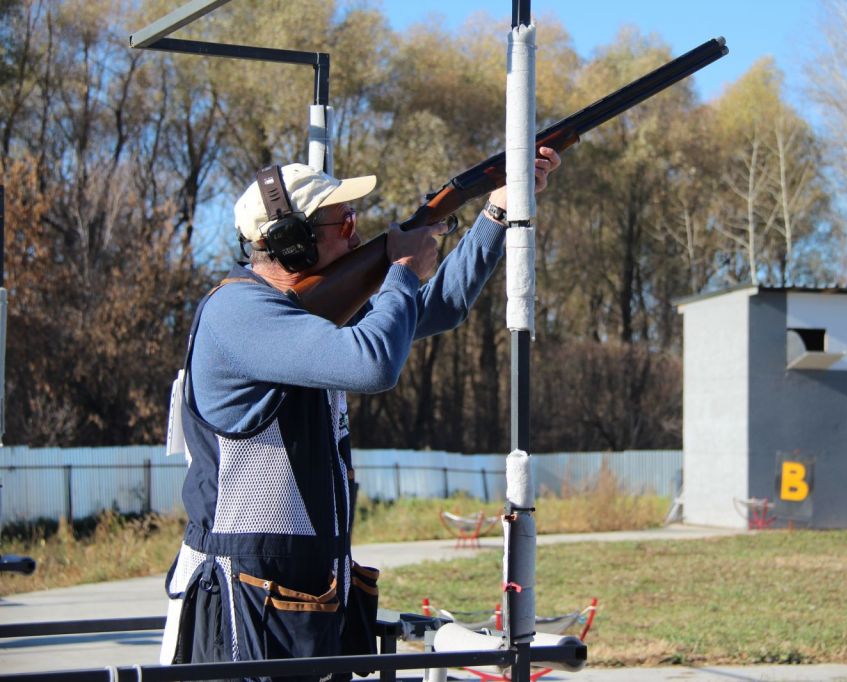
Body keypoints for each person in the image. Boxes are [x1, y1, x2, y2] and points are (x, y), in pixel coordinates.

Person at [160, 148, 561, 680]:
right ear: (290, 242)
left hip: (299, 600)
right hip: (245, 609)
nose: (355, 234)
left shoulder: (296, 314)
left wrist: (496, 215)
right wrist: (399, 271)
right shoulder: (239, 312)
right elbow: (373, 364)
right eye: (342, 222)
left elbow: (441, 305)